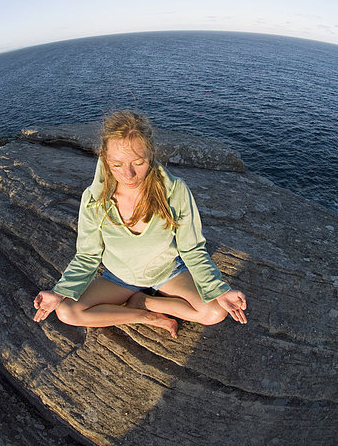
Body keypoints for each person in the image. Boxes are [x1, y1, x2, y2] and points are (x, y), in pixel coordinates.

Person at [33, 110, 247, 338]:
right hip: (119, 278)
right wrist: (60, 291)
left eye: (138, 162)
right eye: (116, 164)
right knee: (66, 311)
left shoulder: (175, 192)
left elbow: (192, 249)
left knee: (215, 312)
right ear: (104, 158)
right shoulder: (94, 200)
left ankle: (146, 301)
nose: (128, 174)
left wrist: (219, 289)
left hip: (168, 273)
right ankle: (144, 315)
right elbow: (88, 256)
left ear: (151, 155)